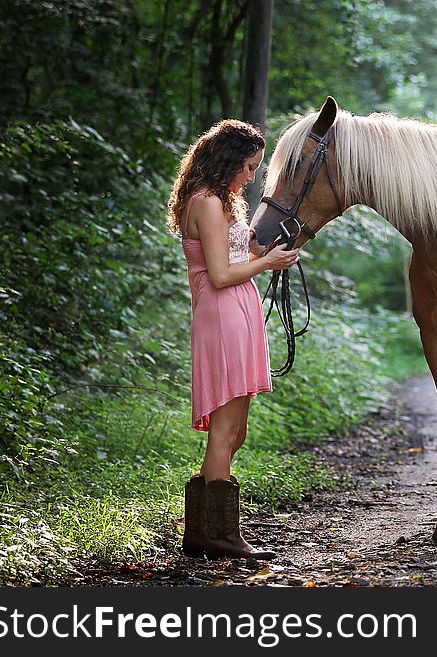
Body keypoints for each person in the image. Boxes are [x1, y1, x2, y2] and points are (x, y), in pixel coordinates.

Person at [166, 120, 299, 559]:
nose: (251, 176)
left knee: (235, 431)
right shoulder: (204, 202)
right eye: (248, 166)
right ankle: (218, 534)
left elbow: (235, 254)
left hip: (237, 311)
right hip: (223, 313)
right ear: (228, 161)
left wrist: (268, 255)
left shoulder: (225, 201)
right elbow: (220, 275)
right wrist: (266, 265)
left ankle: (205, 529)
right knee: (224, 432)